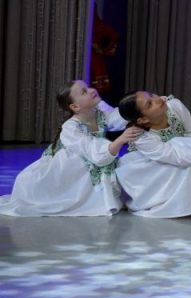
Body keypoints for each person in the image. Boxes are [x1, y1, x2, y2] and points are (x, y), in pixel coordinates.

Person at [0, 81, 142, 216]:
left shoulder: (100, 109)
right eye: (84, 92)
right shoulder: (71, 127)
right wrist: (120, 140)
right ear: (75, 107)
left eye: (88, 87)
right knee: (47, 184)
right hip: (71, 162)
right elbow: (90, 149)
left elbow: (117, 118)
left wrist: (137, 110)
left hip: (94, 155)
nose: (91, 90)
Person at [115, 92, 191, 218]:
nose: (157, 99)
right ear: (143, 119)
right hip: (151, 168)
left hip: (184, 151)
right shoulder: (141, 138)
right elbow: (178, 157)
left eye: (151, 95)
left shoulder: (174, 106)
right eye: (149, 104)